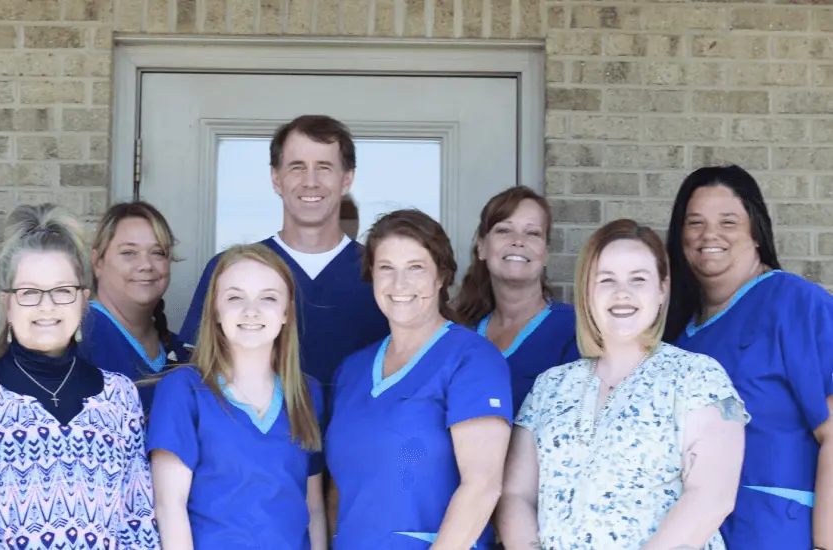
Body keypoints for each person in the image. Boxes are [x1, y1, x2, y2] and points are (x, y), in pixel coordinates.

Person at [499, 218, 747, 549]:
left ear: (662, 289)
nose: (622, 293)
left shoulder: (698, 378)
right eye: (607, 280)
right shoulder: (550, 387)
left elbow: (711, 498)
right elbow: (517, 494)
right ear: (587, 290)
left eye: (638, 279)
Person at [0, 204, 158, 549]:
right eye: (30, 292)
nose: (47, 306)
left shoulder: (119, 397)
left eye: (62, 291)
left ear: (83, 300)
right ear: (8, 303)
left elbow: (139, 527)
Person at [665, 165, 833, 550]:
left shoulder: (797, 304)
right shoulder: (674, 333)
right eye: (695, 223)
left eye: (728, 222)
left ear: (756, 231)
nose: (710, 235)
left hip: (775, 532)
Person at [325, 209, 512, 549]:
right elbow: (339, 492)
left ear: (440, 277)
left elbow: (483, 486)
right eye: (386, 269)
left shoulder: (472, 360)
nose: (400, 285)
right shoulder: (351, 371)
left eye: (415, 268)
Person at [179, 115, 389, 389]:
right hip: (257, 430)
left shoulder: (380, 272)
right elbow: (197, 373)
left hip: (356, 430)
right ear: (276, 178)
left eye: (324, 167)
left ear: (347, 179)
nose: (310, 181)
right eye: (297, 167)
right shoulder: (233, 270)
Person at [148, 243, 326, 550]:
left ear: (287, 312)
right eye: (234, 297)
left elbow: (314, 509)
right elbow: (169, 508)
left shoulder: (306, 393)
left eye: (268, 298)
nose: (251, 311)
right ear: (215, 310)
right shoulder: (184, 390)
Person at [453, 186, 579, 416]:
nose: (518, 241)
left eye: (532, 233)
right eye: (504, 230)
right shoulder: (461, 334)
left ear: (546, 253)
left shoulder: (574, 330)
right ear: (481, 247)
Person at [82, 201, 188, 411]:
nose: (146, 265)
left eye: (157, 252)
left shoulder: (179, 352)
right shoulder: (78, 339)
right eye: (129, 253)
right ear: (98, 262)